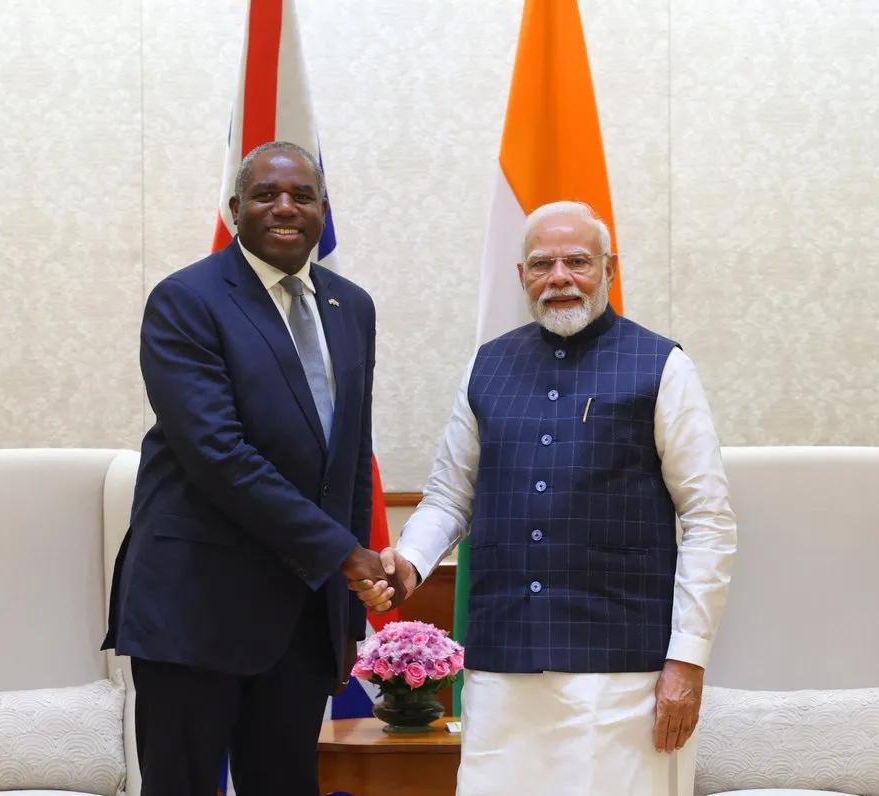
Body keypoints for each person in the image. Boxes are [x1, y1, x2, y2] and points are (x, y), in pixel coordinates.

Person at [353, 201, 737, 795]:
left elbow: (708, 519)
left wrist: (687, 661)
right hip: (503, 666)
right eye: (542, 264)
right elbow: (450, 496)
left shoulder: (662, 365)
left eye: (577, 261)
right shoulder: (488, 365)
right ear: (522, 276)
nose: (559, 277)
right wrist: (409, 562)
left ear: (609, 269)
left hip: (622, 672)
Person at [103, 141, 393, 796]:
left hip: (300, 618)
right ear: (236, 209)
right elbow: (218, 454)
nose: (285, 207)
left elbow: (350, 457)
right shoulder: (186, 300)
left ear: (323, 210)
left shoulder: (352, 307)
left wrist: (345, 619)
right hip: (195, 608)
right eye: (266, 194)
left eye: (302, 196)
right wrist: (343, 554)